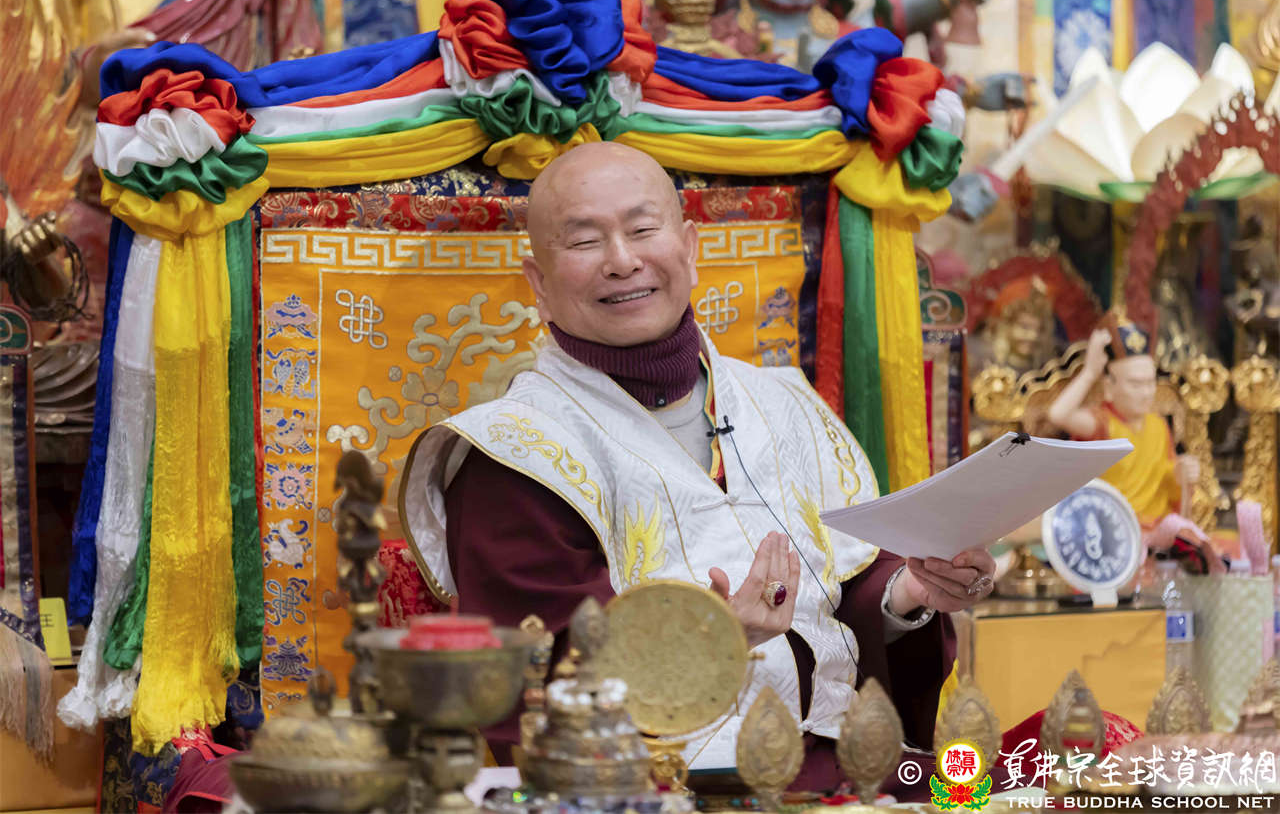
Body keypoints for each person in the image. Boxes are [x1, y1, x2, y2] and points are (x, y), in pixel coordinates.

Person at [400, 142, 998, 790]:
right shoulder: (517, 452)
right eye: (585, 241)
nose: (622, 260)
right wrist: (709, 643)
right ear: (539, 283)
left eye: (642, 229)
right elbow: (540, 684)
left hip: (849, 766)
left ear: (688, 247)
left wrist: (912, 593)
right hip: (672, 791)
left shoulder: (784, 404)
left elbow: (844, 590)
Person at [1045, 316, 1223, 572]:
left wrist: (1181, 473)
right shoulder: (1102, 423)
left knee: (1200, 550)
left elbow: (1169, 482)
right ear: (1109, 386)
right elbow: (1058, 414)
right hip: (1113, 531)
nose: (1146, 392)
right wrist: (1090, 372)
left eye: (1150, 382)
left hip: (1158, 529)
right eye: (1136, 384)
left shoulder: (1158, 425)